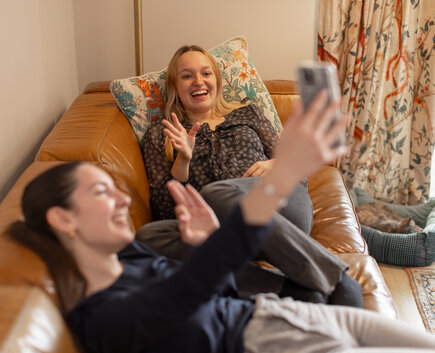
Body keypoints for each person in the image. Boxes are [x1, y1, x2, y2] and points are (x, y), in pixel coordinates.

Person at [8, 92, 435, 353]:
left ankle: (323, 278)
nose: (119, 196)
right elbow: (190, 291)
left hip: (275, 231)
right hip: (274, 338)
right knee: (198, 207)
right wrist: (203, 231)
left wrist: (281, 172)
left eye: (113, 187)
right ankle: (322, 280)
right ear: (62, 219)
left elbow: (201, 295)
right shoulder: (104, 318)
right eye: (101, 192)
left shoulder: (248, 115)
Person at [140, 44, 361, 305]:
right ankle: (288, 289)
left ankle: (336, 278)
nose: (198, 81)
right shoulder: (160, 134)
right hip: (222, 230)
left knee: (217, 192)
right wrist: (183, 162)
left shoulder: (248, 114)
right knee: (147, 239)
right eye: (187, 76)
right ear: (175, 86)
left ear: (217, 80)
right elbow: (166, 211)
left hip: (280, 206)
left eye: (206, 73)